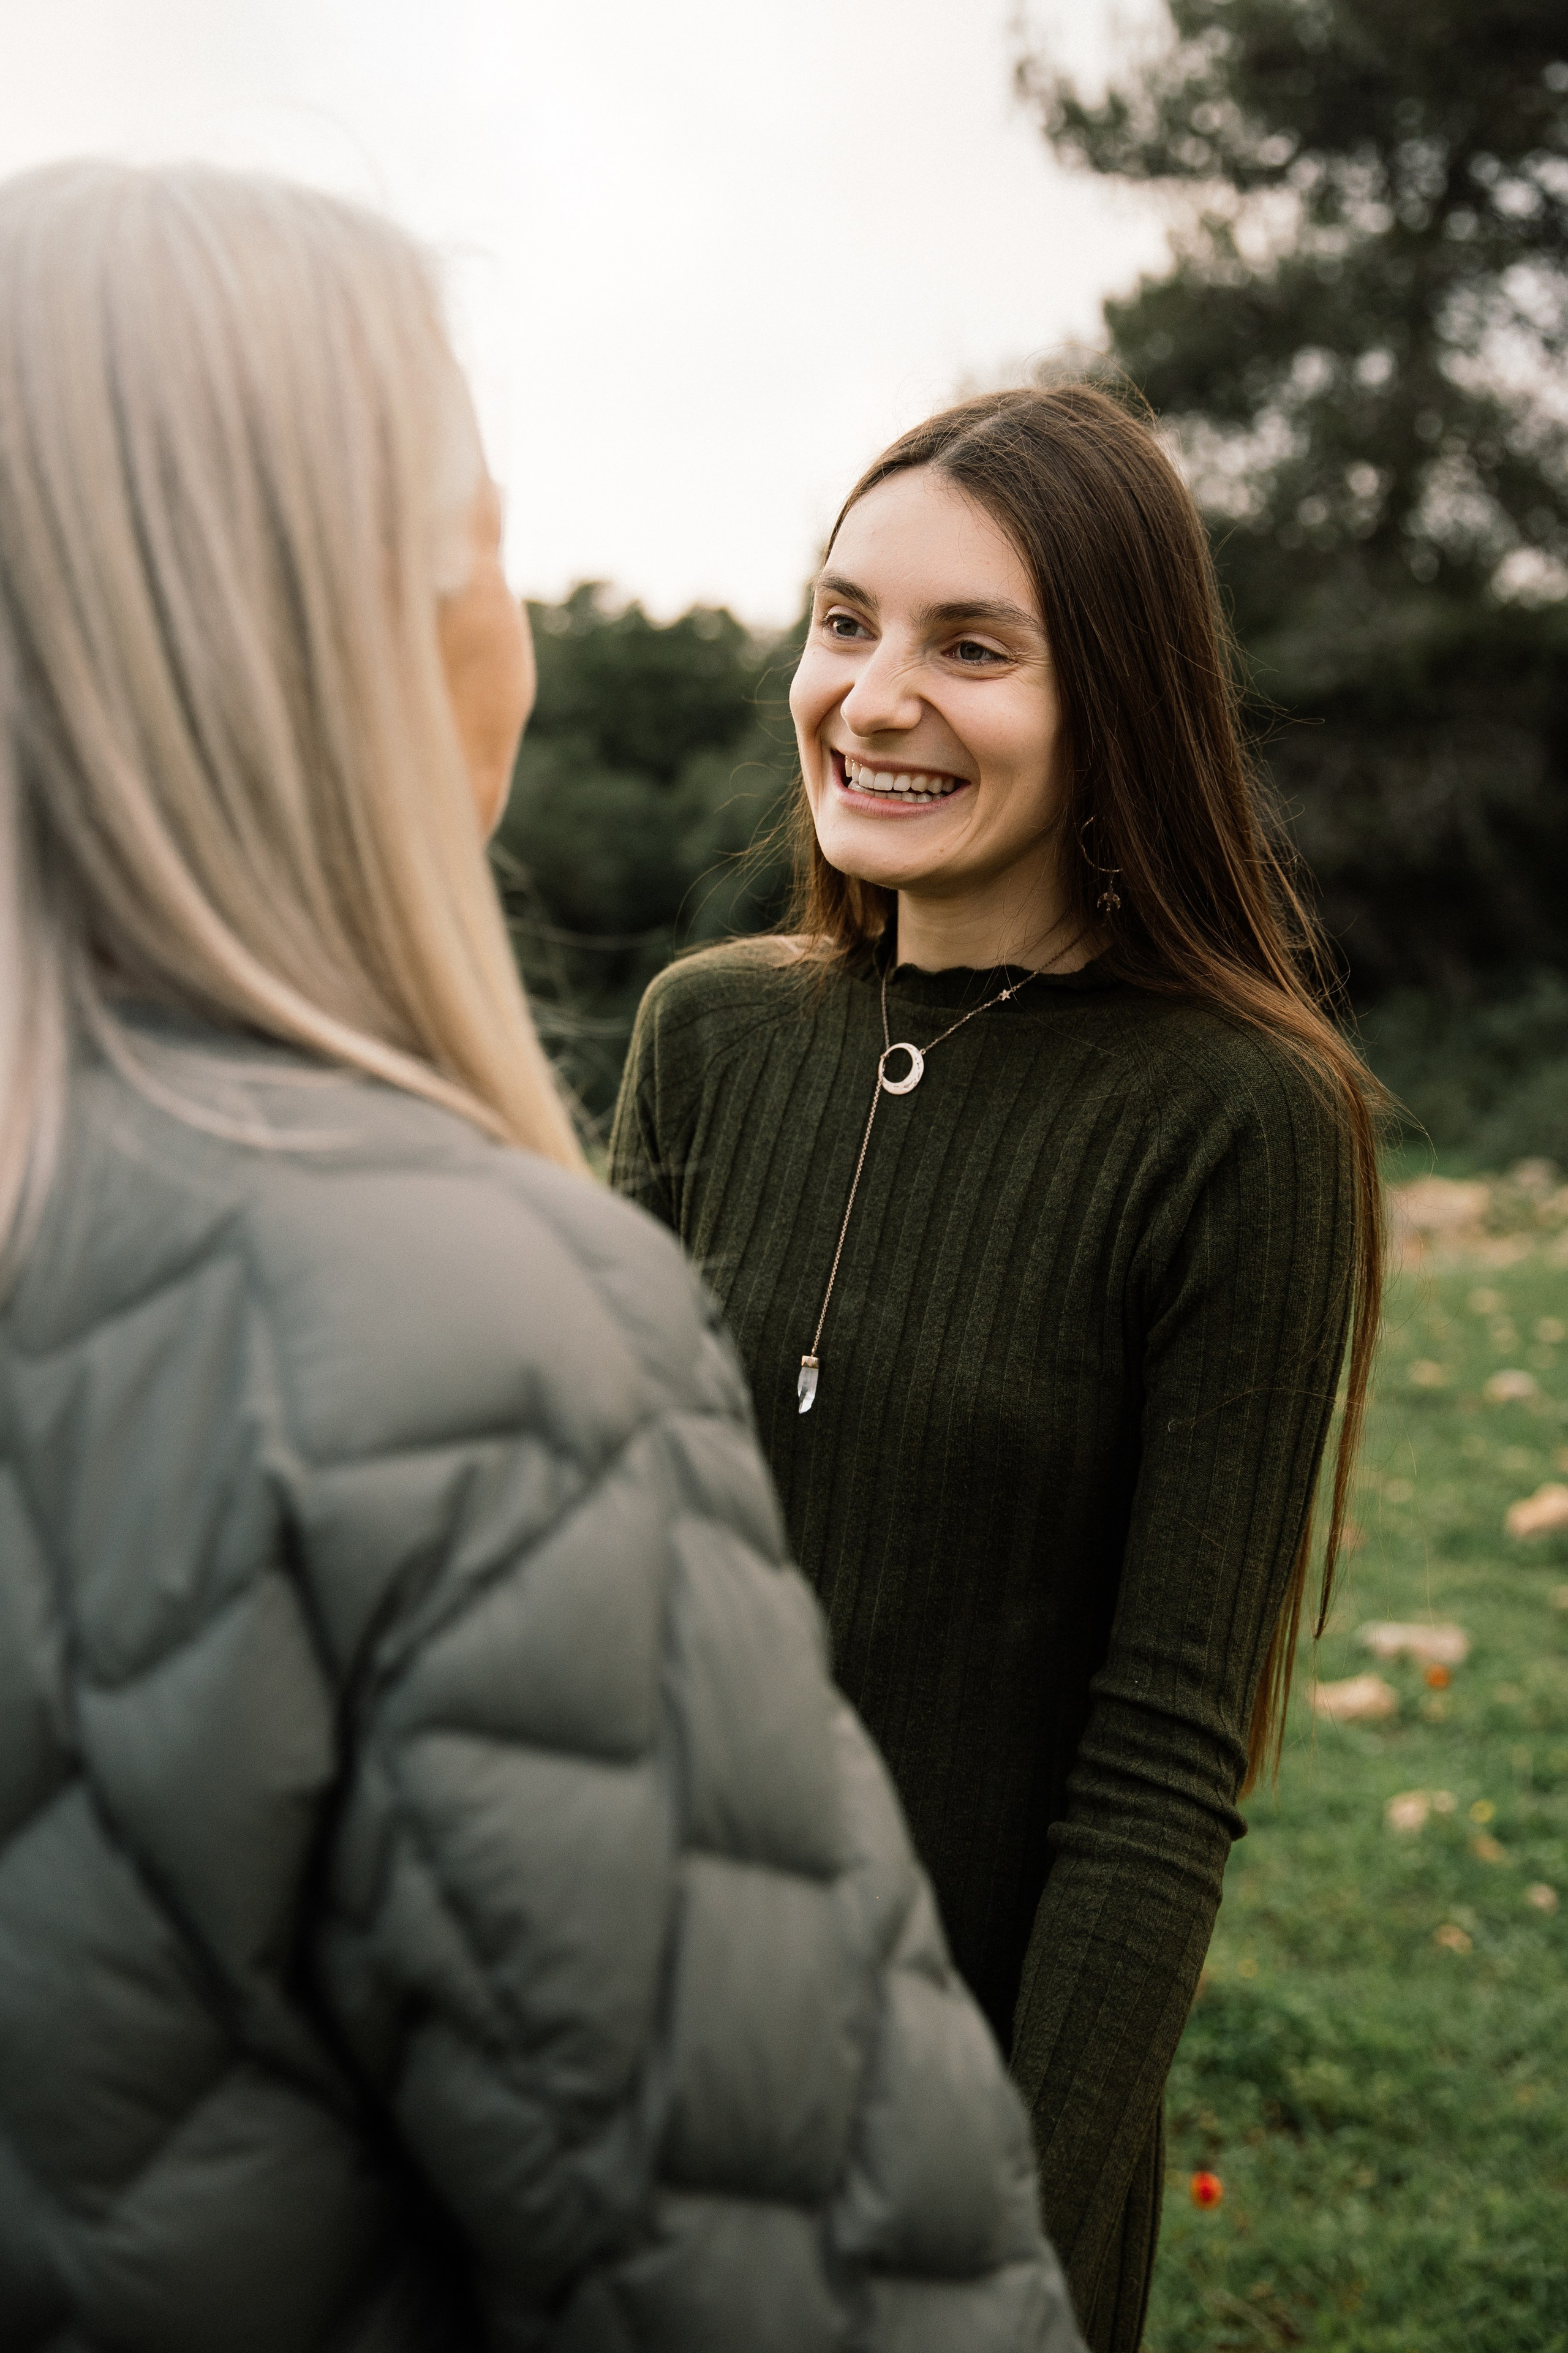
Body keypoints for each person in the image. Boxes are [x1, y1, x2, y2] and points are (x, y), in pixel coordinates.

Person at [0, 164, 1087, 2353]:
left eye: (972, 641)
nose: (875, 694)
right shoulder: (480, 1329)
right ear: (369, 624)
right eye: (485, 527)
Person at [611, 385, 1385, 2351]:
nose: (873, 698)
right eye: (845, 619)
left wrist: (996, 2241)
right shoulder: (703, 1034)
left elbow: (1158, 1766)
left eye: (974, 646)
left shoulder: (1244, 1117)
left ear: (1115, 697)